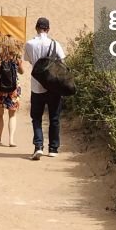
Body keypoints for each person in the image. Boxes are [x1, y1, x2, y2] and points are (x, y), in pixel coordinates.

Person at [24, 17, 66, 160]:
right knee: (54, 117)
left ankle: (38, 146)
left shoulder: (29, 44)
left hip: (37, 85)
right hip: (53, 86)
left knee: (36, 118)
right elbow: (61, 61)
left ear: (36, 28)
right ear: (48, 29)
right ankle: (53, 148)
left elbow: (30, 61)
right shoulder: (55, 44)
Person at [0, 35, 25, 147]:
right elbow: (22, 72)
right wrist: (18, 64)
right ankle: (11, 140)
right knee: (12, 115)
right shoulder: (16, 58)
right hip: (13, 90)